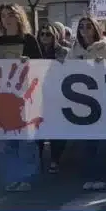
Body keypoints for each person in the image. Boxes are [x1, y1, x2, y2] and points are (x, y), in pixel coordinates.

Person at [0, 4, 43, 192]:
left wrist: (29, 63)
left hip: (26, 98)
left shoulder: (29, 40)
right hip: (3, 98)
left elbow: (41, 67)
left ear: (19, 17)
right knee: (6, 140)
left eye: (11, 15)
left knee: (26, 140)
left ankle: (27, 177)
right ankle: (12, 177)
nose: (7, 19)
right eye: (3, 16)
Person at [68, 16, 106, 191]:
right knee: (86, 142)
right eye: (81, 27)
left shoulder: (105, 49)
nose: (85, 30)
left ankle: (102, 176)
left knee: (102, 143)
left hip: (103, 103)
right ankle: (89, 176)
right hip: (81, 105)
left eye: (89, 26)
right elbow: (64, 72)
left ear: (95, 29)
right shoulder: (73, 51)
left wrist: (103, 66)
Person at [35, 22, 68, 173]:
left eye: (48, 34)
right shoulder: (35, 51)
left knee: (56, 130)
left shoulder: (63, 52)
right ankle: (38, 158)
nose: (44, 37)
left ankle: (55, 158)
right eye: (42, 34)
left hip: (57, 95)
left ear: (55, 36)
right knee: (38, 129)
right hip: (37, 96)